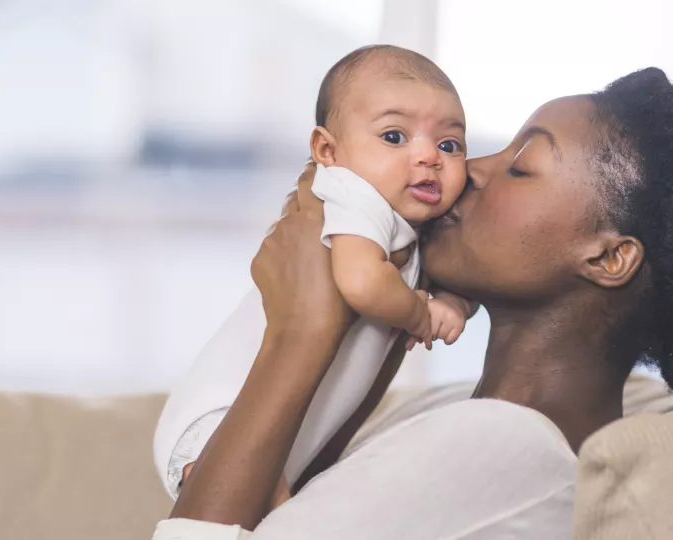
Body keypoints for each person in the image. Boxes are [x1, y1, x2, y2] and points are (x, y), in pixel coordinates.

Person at [153, 67, 673, 539]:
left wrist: (301, 333)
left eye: (522, 165)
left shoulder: (504, 443)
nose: (471, 168)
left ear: (607, 257)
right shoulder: (471, 416)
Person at [153, 45, 479, 496]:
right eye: (394, 136)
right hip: (221, 419)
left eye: (449, 144)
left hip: (287, 432)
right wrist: (424, 314)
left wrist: (455, 301)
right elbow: (363, 283)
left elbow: (462, 277)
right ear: (328, 150)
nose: (428, 157)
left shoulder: (407, 223)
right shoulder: (351, 194)